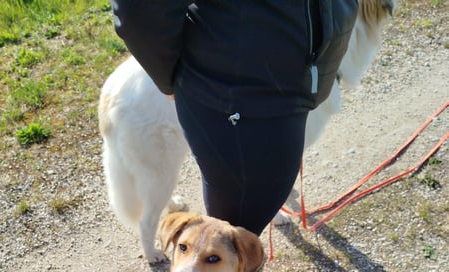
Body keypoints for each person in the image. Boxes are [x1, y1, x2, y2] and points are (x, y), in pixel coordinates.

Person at [110, 1, 358, 237]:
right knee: (231, 229)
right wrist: (167, 79)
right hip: (233, 94)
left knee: (248, 212)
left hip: (292, 85)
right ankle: (212, 262)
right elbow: (139, 9)